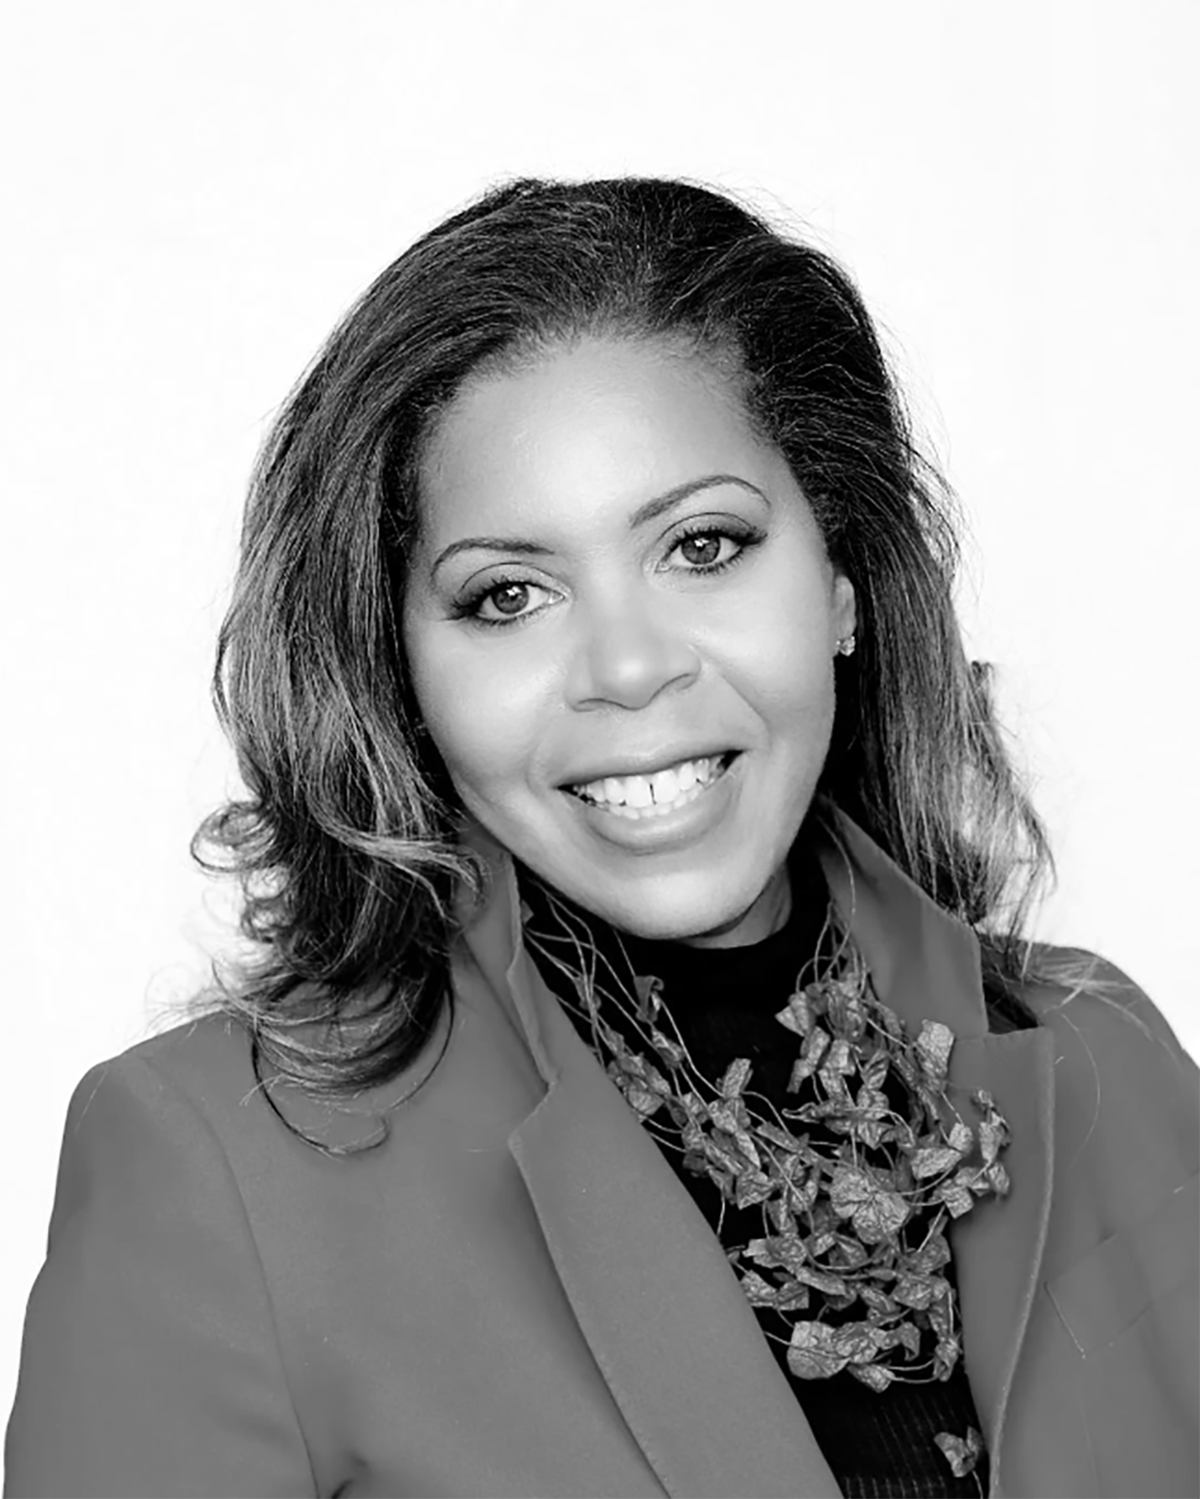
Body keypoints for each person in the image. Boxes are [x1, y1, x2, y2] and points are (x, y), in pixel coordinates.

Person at [6, 178, 1200, 1499]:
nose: (628, 668)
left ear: (841, 581)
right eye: (508, 595)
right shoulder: (214, 1167)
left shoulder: (1107, 1055)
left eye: (704, 545)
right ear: (402, 671)